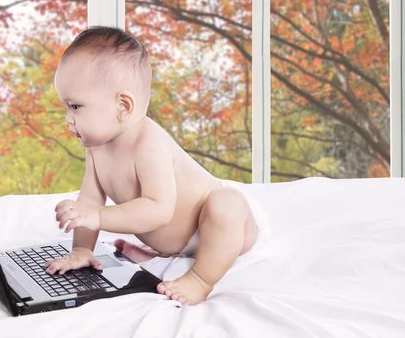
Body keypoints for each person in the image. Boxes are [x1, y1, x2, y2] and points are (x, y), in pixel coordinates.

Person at [44, 26, 266, 305]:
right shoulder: (96, 148)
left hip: (221, 227)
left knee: (227, 203)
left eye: (75, 106)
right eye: (66, 106)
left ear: (123, 106)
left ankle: (200, 279)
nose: (68, 118)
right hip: (180, 244)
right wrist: (81, 249)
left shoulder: (149, 143)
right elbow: (89, 201)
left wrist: (99, 216)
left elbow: (159, 210)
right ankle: (165, 255)